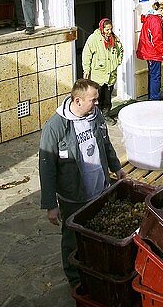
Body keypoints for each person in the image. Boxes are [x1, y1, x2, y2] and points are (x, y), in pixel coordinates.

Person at [39, 78, 123, 285]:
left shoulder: (95, 117)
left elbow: (106, 144)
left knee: (98, 232)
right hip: (73, 196)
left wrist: (116, 168)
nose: (97, 103)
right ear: (77, 100)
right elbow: (46, 167)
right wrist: (50, 205)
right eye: (93, 100)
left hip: (99, 189)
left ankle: (96, 268)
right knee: (72, 239)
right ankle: (75, 279)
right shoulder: (55, 127)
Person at [82, 17, 124, 115]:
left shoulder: (115, 39)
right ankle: (96, 115)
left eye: (110, 29)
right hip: (99, 74)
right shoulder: (93, 39)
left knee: (107, 97)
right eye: (107, 29)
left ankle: (106, 115)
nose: (109, 32)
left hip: (111, 74)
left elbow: (120, 50)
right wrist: (86, 69)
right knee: (97, 96)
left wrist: (118, 61)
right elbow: (86, 54)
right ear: (102, 29)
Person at [136, 0, 163, 101]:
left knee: (152, 74)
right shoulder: (155, 20)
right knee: (155, 75)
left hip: (148, 50)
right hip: (153, 52)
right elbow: (157, 39)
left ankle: (153, 95)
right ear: (160, 10)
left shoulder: (149, 17)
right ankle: (155, 98)